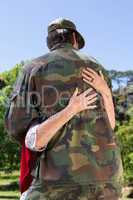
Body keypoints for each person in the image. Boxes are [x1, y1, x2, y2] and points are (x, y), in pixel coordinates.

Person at [4, 18, 123, 200]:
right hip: (107, 183)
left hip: (56, 185)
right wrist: (105, 94)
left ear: (50, 42)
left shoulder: (33, 68)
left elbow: (20, 131)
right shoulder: (99, 70)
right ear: (74, 39)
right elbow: (111, 125)